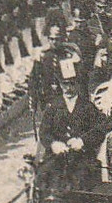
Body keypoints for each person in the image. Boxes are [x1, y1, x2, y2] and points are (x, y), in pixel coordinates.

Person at [36, 65, 104, 194]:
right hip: (56, 156)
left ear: (78, 84)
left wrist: (83, 141)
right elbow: (44, 132)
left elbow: (99, 130)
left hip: (82, 157)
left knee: (82, 182)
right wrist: (53, 144)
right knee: (44, 176)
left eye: (71, 84)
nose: (67, 88)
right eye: (64, 84)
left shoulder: (88, 107)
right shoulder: (53, 107)